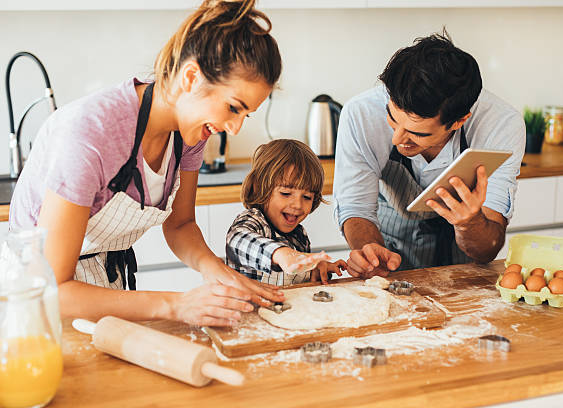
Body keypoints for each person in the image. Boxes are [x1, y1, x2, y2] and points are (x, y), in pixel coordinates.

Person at [8, 0, 285, 327]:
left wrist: (222, 274)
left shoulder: (190, 133)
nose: (235, 127)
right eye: (233, 108)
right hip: (39, 299)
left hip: (106, 283)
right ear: (192, 77)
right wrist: (176, 305)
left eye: (246, 114)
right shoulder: (89, 134)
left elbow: (180, 225)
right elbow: (56, 286)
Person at [333, 31, 526, 279]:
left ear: (459, 121)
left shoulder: (500, 124)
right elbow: (356, 207)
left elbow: (488, 244)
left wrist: (470, 223)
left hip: (466, 256)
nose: (397, 139)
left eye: (417, 133)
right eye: (392, 120)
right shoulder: (360, 113)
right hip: (391, 234)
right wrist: (370, 253)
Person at [226, 139, 347, 286]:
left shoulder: (299, 236)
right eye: (285, 193)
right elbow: (236, 239)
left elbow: (295, 277)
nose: (297, 205)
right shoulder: (254, 220)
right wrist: (279, 253)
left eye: (307, 197)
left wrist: (314, 269)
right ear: (259, 188)